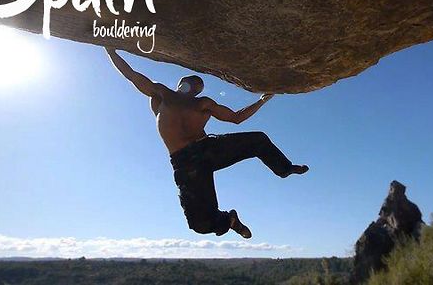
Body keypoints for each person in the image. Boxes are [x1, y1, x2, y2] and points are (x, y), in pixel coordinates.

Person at [106, 48, 309, 238]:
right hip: (185, 163)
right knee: (200, 225)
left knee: (258, 139)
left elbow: (236, 118)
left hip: (207, 149)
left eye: (199, 87)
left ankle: (285, 168)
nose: (196, 88)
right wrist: (110, 49)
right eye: (194, 84)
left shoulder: (203, 103)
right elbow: (130, 74)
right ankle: (229, 221)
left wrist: (262, 101)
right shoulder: (161, 95)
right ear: (183, 84)